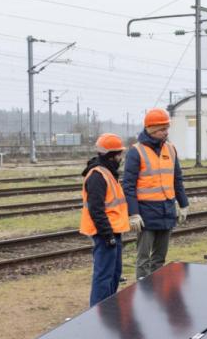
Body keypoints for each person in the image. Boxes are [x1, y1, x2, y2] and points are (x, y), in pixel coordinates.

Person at [123, 108, 189, 279]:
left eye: (167, 128)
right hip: (146, 214)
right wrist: (134, 214)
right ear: (151, 129)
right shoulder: (136, 152)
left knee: (159, 259)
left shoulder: (171, 149)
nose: (166, 132)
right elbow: (128, 186)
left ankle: (157, 292)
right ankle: (142, 295)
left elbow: (177, 179)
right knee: (143, 260)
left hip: (167, 211)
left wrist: (183, 204)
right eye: (162, 129)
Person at [80, 133, 130, 306]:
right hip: (104, 234)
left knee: (114, 274)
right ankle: (98, 314)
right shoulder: (97, 176)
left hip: (113, 232)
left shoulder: (107, 172)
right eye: (119, 155)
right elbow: (97, 210)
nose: (121, 158)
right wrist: (107, 235)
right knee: (103, 276)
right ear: (111, 155)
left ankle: (108, 309)